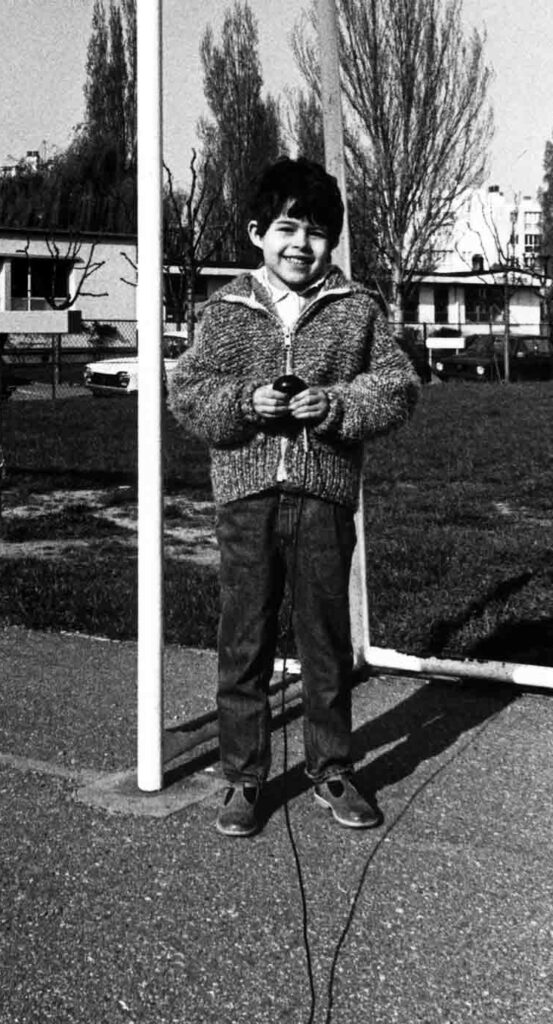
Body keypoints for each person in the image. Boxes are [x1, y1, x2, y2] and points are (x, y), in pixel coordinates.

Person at [167, 156, 420, 838]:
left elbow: (396, 388)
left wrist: (332, 405)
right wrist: (244, 404)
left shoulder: (356, 309)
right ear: (256, 233)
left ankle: (332, 767)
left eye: (314, 232)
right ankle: (242, 779)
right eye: (285, 228)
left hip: (322, 498)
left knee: (324, 641)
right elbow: (187, 393)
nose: (298, 245)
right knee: (242, 641)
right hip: (246, 500)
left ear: (331, 241)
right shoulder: (224, 311)